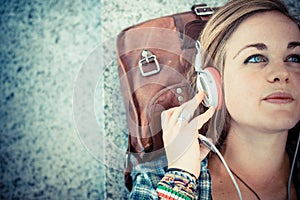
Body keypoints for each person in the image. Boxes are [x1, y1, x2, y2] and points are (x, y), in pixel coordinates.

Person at [129, 0, 300, 199]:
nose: (282, 73)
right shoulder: (158, 182)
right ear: (212, 84)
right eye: (255, 58)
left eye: (295, 58)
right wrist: (180, 180)